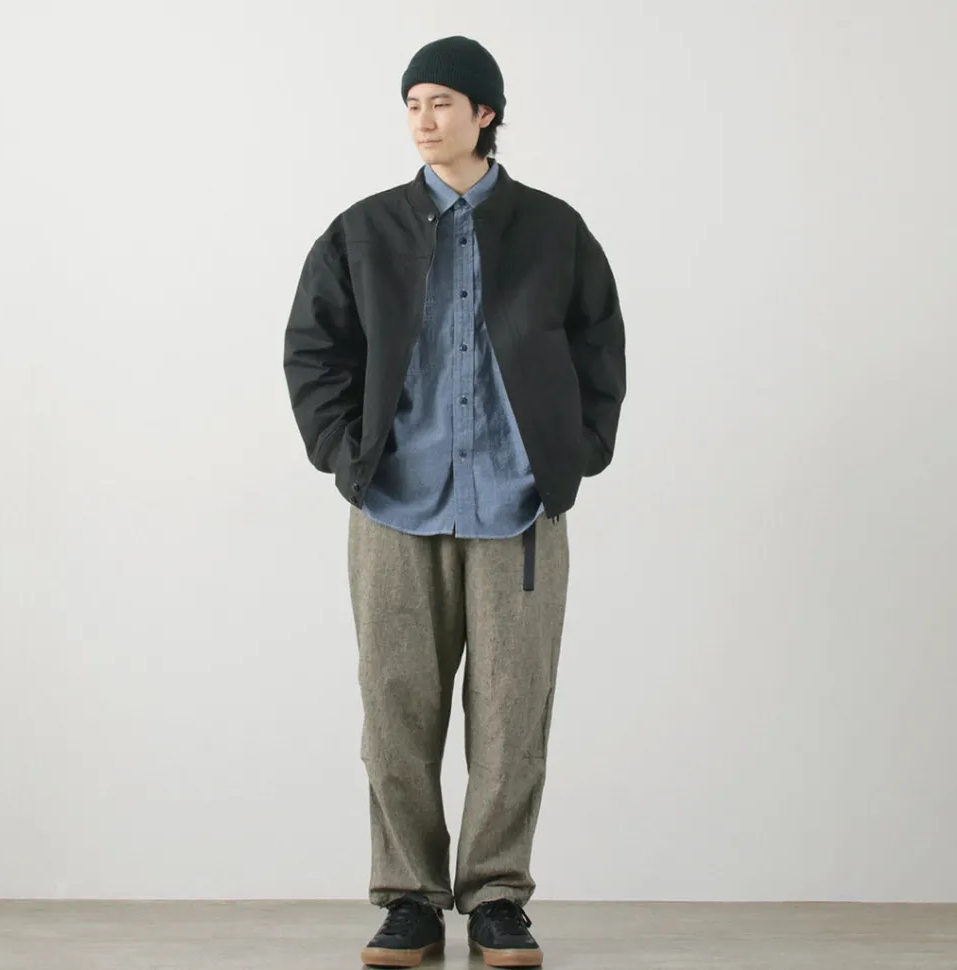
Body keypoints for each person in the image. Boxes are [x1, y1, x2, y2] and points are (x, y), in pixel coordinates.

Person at [283, 34, 626, 969]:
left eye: (441, 102)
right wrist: (345, 457)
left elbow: (600, 346)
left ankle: (498, 899)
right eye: (412, 103)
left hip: (519, 509)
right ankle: (407, 898)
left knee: (513, 715)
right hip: (394, 506)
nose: (423, 120)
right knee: (395, 711)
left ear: (485, 113)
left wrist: (573, 456)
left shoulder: (553, 230)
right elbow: (314, 350)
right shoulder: (361, 232)